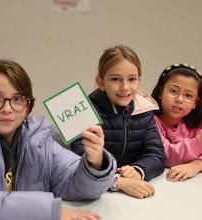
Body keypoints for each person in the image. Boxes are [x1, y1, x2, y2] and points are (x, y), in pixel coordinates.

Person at [0, 60, 117, 220]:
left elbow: (76, 185)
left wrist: (96, 163)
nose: (7, 108)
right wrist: (50, 211)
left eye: (18, 99)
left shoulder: (39, 140)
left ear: (28, 107)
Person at [71, 45, 165, 199]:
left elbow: (156, 153)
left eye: (132, 79)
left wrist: (137, 170)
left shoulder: (145, 109)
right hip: (94, 195)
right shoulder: (83, 111)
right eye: (115, 79)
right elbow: (77, 159)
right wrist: (117, 181)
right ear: (101, 82)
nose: (125, 87)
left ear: (139, 80)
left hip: (131, 194)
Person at [151, 63, 202, 181]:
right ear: (160, 93)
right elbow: (165, 155)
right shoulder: (150, 121)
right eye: (173, 91)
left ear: (195, 103)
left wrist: (197, 165)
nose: (179, 99)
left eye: (188, 95)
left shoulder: (193, 123)